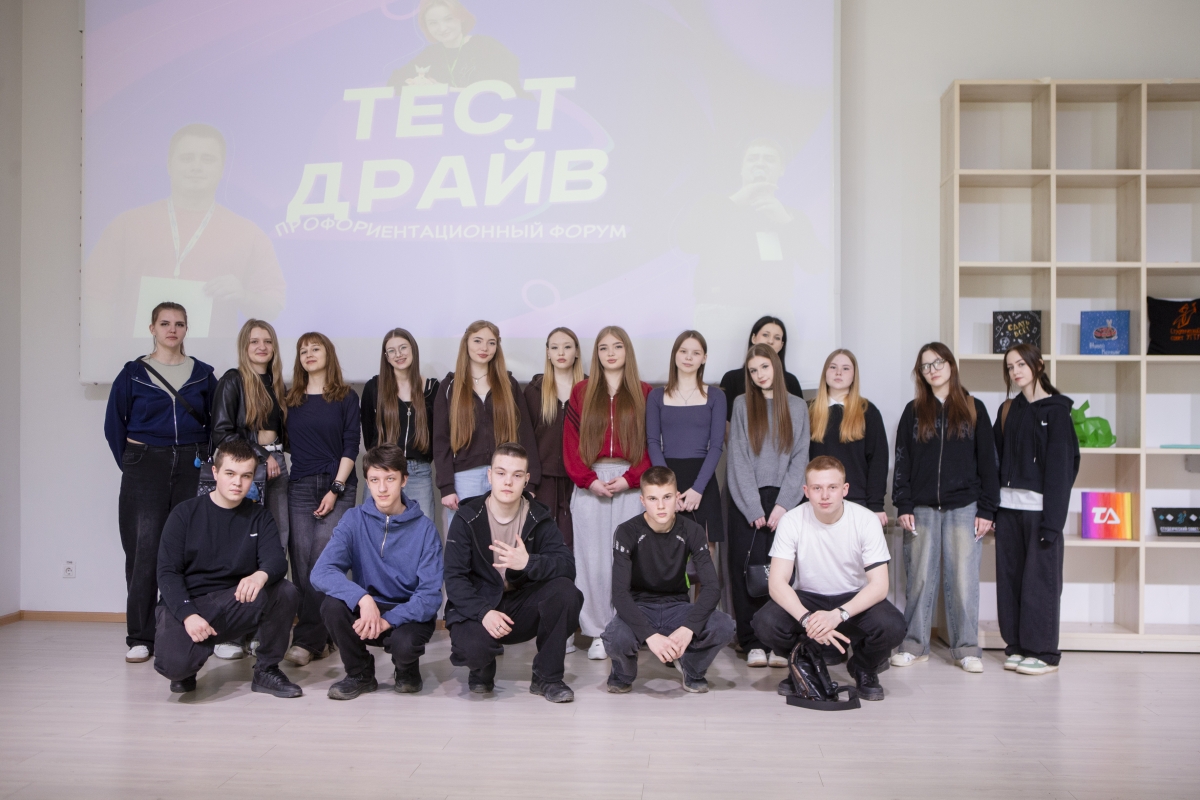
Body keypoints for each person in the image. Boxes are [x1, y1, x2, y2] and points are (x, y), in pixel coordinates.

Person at [82, 123, 285, 349]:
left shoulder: (249, 234)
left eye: (207, 159)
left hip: (212, 364)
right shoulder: (127, 224)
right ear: (169, 165)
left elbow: (272, 306)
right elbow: (96, 297)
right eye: (187, 158)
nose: (196, 167)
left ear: (222, 168)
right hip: (136, 362)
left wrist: (243, 295)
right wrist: (109, 353)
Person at [104, 302, 217, 664]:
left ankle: (187, 628)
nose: (172, 329)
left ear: (186, 329)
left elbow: (217, 424)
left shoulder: (203, 374)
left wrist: (206, 460)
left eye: (179, 324)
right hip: (144, 464)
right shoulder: (132, 373)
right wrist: (134, 463)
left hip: (191, 462)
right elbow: (114, 426)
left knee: (190, 550)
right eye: (165, 323)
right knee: (144, 552)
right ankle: (141, 636)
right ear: (152, 328)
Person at [153, 438, 302, 698]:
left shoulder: (259, 516)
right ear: (215, 472)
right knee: (175, 667)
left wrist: (260, 575)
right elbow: (167, 573)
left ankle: (266, 670)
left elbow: (276, 561)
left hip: (234, 602)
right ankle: (189, 663)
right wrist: (188, 615)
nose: (238, 483)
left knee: (285, 591)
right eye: (230, 474)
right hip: (191, 602)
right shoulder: (184, 514)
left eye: (246, 476)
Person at [752, 456, 905, 702]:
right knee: (764, 622)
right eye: (817, 488)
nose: (825, 495)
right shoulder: (791, 520)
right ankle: (804, 665)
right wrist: (806, 619)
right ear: (806, 491)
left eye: (832, 487)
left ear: (845, 489)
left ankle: (864, 667)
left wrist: (838, 615)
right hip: (809, 598)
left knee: (894, 626)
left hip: (853, 599)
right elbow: (777, 583)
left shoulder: (866, 520)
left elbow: (879, 586)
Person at [891, 343, 1000, 673]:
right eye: (925, 366)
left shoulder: (974, 408)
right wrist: (903, 503)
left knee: (964, 581)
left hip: (965, 507)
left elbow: (988, 463)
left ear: (951, 364)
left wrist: (987, 509)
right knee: (919, 579)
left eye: (938, 362)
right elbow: (902, 461)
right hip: (921, 508)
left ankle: (966, 648)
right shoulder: (913, 411)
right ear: (920, 374)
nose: (933, 370)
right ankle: (914, 645)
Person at [444, 443, 582, 703]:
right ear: (489, 476)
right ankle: (481, 669)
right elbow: (454, 579)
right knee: (474, 650)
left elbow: (567, 566)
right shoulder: (467, 517)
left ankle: (547, 677)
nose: (508, 481)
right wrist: (483, 612)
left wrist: (529, 562)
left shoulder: (538, 517)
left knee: (566, 592)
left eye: (517, 475)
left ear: (526, 479)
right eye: (501, 473)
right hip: (480, 606)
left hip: (520, 607)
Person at [312, 444, 444, 700]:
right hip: (368, 609)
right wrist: (363, 599)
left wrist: (388, 620)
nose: (382, 488)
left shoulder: (425, 530)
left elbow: (429, 596)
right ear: (368, 482)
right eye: (374, 480)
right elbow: (322, 571)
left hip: (408, 613)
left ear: (404, 480)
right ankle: (360, 673)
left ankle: (406, 669)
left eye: (390, 479)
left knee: (405, 644)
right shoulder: (353, 520)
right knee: (332, 606)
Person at [677, 140, 830, 347]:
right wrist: (734, 203)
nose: (760, 164)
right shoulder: (716, 206)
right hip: (720, 310)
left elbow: (816, 264)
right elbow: (687, 242)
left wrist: (786, 222)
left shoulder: (790, 216)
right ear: (741, 167)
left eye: (769, 159)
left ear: (782, 169)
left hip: (774, 316)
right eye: (752, 159)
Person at [601, 467, 735, 694]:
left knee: (724, 626)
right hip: (640, 605)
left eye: (667, 497)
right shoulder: (627, 531)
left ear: (677, 497)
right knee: (615, 638)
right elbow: (620, 594)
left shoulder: (692, 530)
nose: (661, 506)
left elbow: (712, 587)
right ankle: (623, 673)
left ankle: (692, 668)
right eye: (653, 499)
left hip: (677, 606)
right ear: (643, 500)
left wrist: (689, 628)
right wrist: (650, 636)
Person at [563, 325, 653, 660]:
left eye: (617, 346)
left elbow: (651, 444)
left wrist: (632, 478)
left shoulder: (644, 393)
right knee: (592, 561)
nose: (611, 353)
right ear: (596, 354)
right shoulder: (581, 392)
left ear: (627, 351)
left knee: (628, 560)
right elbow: (571, 444)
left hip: (631, 483)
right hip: (592, 483)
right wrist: (589, 480)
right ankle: (599, 632)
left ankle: (625, 629)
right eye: (603, 348)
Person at [993, 344, 1080, 676]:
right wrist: (993, 509)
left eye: (1021, 364)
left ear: (1038, 365)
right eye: (1010, 367)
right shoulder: (1010, 409)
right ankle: (1016, 646)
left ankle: (1043, 652)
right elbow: (995, 459)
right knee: (1011, 581)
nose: (1015, 371)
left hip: (1041, 513)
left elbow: (1063, 470)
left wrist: (1053, 523)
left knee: (1040, 583)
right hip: (1008, 511)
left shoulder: (1056, 412)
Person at [209, 318, 290, 661]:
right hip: (249, 469)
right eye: (254, 341)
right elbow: (221, 432)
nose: (261, 347)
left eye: (267, 341)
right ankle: (231, 633)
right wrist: (259, 455)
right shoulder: (233, 380)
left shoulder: (277, 384)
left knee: (275, 547)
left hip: (278, 469)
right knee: (240, 549)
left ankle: (261, 632)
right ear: (244, 346)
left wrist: (274, 457)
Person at [726, 344, 809, 669]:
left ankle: (780, 643)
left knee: (782, 573)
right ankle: (752, 643)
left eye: (764, 367)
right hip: (747, 500)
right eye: (753, 370)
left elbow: (800, 458)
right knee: (747, 570)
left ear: (776, 365)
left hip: (786, 501)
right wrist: (753, 507)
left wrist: (783, 505)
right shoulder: (742, 404)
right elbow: (738, 458)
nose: (759, 375)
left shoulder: (797, 406)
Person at [283, 333, 361, 667]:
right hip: (300, 486)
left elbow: (351, 445)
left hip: (338, 485)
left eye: (316, 348)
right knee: (301, 566)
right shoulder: (291, 399)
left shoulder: (346, 396)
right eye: (303, 350)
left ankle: (306, 641)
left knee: (321, 562)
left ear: (328, 354)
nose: (309, 354)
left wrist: (336, 488)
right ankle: (325, 636)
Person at [434, 320, 541, 527]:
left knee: (505, 535)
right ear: (466, 343)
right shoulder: (449, 386)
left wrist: (531, 483)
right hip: (464, 479)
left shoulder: (509, 385)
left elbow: (525, 435)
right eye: (477, 341)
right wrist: (446, 487)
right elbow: (441, 441)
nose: (484, 348)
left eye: (491, 343)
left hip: (505, 474)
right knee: (466, 537)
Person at [647, 330, 727, 551]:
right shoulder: (656, 396)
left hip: (703, 481)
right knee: (668, 554)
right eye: (683, 351)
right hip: (667, 477)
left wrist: (698, 489)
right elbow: (653, 442)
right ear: (675, 354)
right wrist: (669, 490)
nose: (689, 357)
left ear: (704, 358)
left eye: (696, 353)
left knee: (705, 555)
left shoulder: (716, 396)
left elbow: (716, 446)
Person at [361, 328, 439, 522]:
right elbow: (369, 434)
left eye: (403, 348)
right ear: (386, 357)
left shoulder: (432, 388)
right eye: (392, 351)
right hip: (382, 469)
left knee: (421, 531)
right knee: (373, 529)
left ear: (413, 349)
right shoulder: (374, 388)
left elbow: (439, 435)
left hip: (418, 473)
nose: (398, 354)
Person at [808, 349, 889, 527]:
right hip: (816, 503)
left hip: (857, 502)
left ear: (854, 376)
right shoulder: (808, 411)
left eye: (845, 368)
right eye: (833, 367)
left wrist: (876, 504)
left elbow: (878, 462)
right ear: (825, 372)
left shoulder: (868, 411)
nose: (838, 372)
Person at [388, 0, 522, 93]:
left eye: (448, 19)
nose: (442, 28)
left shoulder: (485, 46)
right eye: (433, 23)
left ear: (461, 18)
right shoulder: (431, 54)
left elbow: (503, 88)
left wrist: (443, 90)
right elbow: (394, 82)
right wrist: (415, 83)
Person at [718, 316, 806, 422]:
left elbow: (798, 421)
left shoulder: (791, 381)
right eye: (765, 335)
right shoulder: (731, 379)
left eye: (777, 338)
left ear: (781, 345)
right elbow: (724, 422)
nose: (770, 341)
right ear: (754, 338)